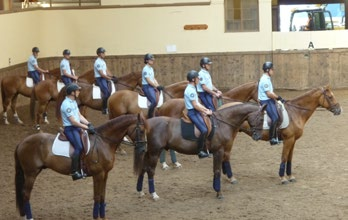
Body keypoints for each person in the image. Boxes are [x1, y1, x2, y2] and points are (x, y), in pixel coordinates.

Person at [60, 83, 96, 181]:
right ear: (72, 92)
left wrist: (89, 124)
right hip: (70, 129)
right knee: (79, 147)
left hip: (77, 127)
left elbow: (79, 116)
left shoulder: (74, 102)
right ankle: (74, 171)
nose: (79, 92)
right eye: (77, 90)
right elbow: (73, 122)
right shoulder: (66, 104)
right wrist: (86, 128)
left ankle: (84, 167)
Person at [184, 70, 212, 159]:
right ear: (193, 79)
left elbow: (198, 103)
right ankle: (199, 151)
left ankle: (206, 148)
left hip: (196, 111)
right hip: (193, 113)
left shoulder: (193, 88)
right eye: (197, 78)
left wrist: (206, 109)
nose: (199, 79)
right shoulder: (190, 90)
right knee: (203, 130)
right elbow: (195, 105)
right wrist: (205, 111)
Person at [258, 61, 285, 146]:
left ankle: (277, 136)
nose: (273, 71)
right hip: (266, 100)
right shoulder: (265, 80)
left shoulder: (267, 78)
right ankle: (271, 138)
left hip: (269, 99)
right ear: (267, 70)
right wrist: (278, 97)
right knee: (275, 117)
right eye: (272, 69)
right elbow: (269, 94)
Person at [142, 53, 162, 118]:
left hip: (151, 86)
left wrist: (158, 85)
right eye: (151, 60)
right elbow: (148, 80)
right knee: (154, 101)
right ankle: (150, 116)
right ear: (147, 60)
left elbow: (153, 78)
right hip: (147, 86)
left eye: (153, 60)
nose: (152, 61)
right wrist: (155, 86)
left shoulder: (151, 68)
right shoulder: (145, 69)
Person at [94, 47, 113, 114]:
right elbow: (101, 73)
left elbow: (106, 71)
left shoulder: (103, 61)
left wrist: (112, 76)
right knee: (106, 92)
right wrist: (108, 78)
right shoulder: (97, 62)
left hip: (104, 78)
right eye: (103, 53)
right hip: (100, 78)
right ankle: (104, 108)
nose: (105, 54)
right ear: (99, 54)